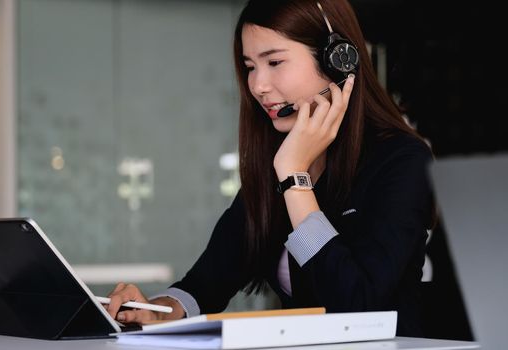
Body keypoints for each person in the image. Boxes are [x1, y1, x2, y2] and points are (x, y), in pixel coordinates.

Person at [106, 0, 435, 337]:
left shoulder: (402, 161)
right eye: (250, 66)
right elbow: (206, 282)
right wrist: (160, 311)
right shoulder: (276, 162)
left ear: (337, 62)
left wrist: (295, 178)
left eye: (275, 62)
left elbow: (355, 306)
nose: (258, 85)